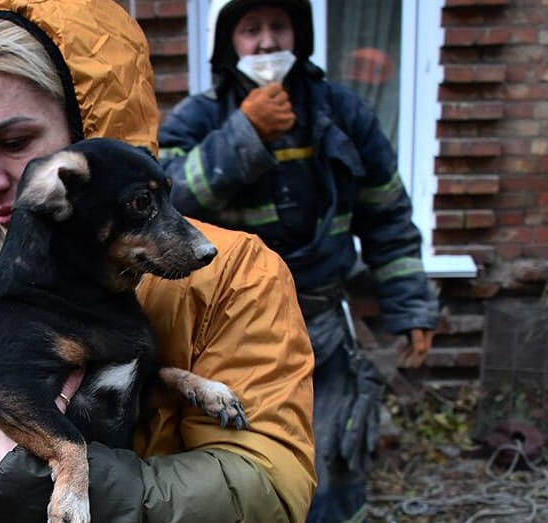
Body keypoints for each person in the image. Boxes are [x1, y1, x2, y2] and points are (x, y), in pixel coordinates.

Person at [0, 1, 317, 522]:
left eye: (14, 142)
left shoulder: (232, 278)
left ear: (94, 129)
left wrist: (31, 470)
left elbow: (265, 486)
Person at [157, 1, 439, 522]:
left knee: (332, 466)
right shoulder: (201, 119)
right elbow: (164, 207)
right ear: (228, 44)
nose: (267, 43)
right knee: (242, 468)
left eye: (279, 26)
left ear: (300, 36)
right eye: (251, 29)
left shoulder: (343, 113)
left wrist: (411, 307)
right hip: (232, 336)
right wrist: (244, 137)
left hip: (322, 329)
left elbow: (387, 216)